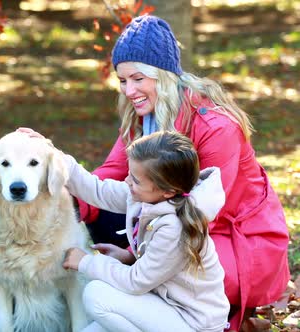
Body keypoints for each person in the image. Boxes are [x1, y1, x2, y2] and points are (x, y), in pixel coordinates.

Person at [76, 14, 289, 330]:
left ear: (161, 76)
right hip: (173, 225)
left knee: (160, 262)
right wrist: (69, 200)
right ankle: (149, 306)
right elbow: (112, 171)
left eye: (138, 79)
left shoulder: (217, 127)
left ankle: (209, 317)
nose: (129, 90)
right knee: (100, 209)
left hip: (234, 238)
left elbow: (203, 213)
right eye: (122, 81)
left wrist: (136, 260)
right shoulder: (142, 118)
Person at [62, 130, 230, 332]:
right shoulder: (148, 196)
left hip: (193, 323)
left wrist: (85, 261)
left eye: (135, 179)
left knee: (96, 295)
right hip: (164, 306)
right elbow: (99, 191)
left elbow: (136, 282)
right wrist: (56, 157)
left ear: (168, 190)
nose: (127, 181)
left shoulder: (175, 227)